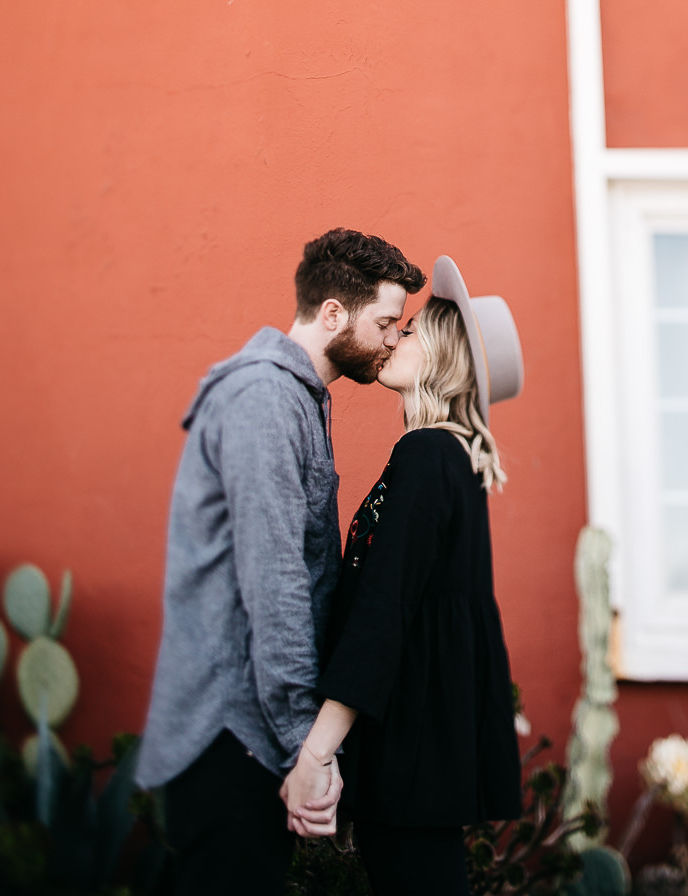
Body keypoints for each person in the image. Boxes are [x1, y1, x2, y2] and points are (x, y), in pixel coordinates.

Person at [135, 228, 426, 896]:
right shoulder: (266, 400)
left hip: (248, 733)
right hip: (230, 736)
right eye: (384, 322)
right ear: (332, 314)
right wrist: (307, 742)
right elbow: (277, 585)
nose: (390, 340)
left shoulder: (297, 398)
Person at [282, 255, 525, 896]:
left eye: (411, 330)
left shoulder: (426, 456)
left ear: (444, 355)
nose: (394, 338)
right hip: (429, 755)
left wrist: (317, 753)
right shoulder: (455, 460)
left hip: (410, 757)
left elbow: (380, 613)